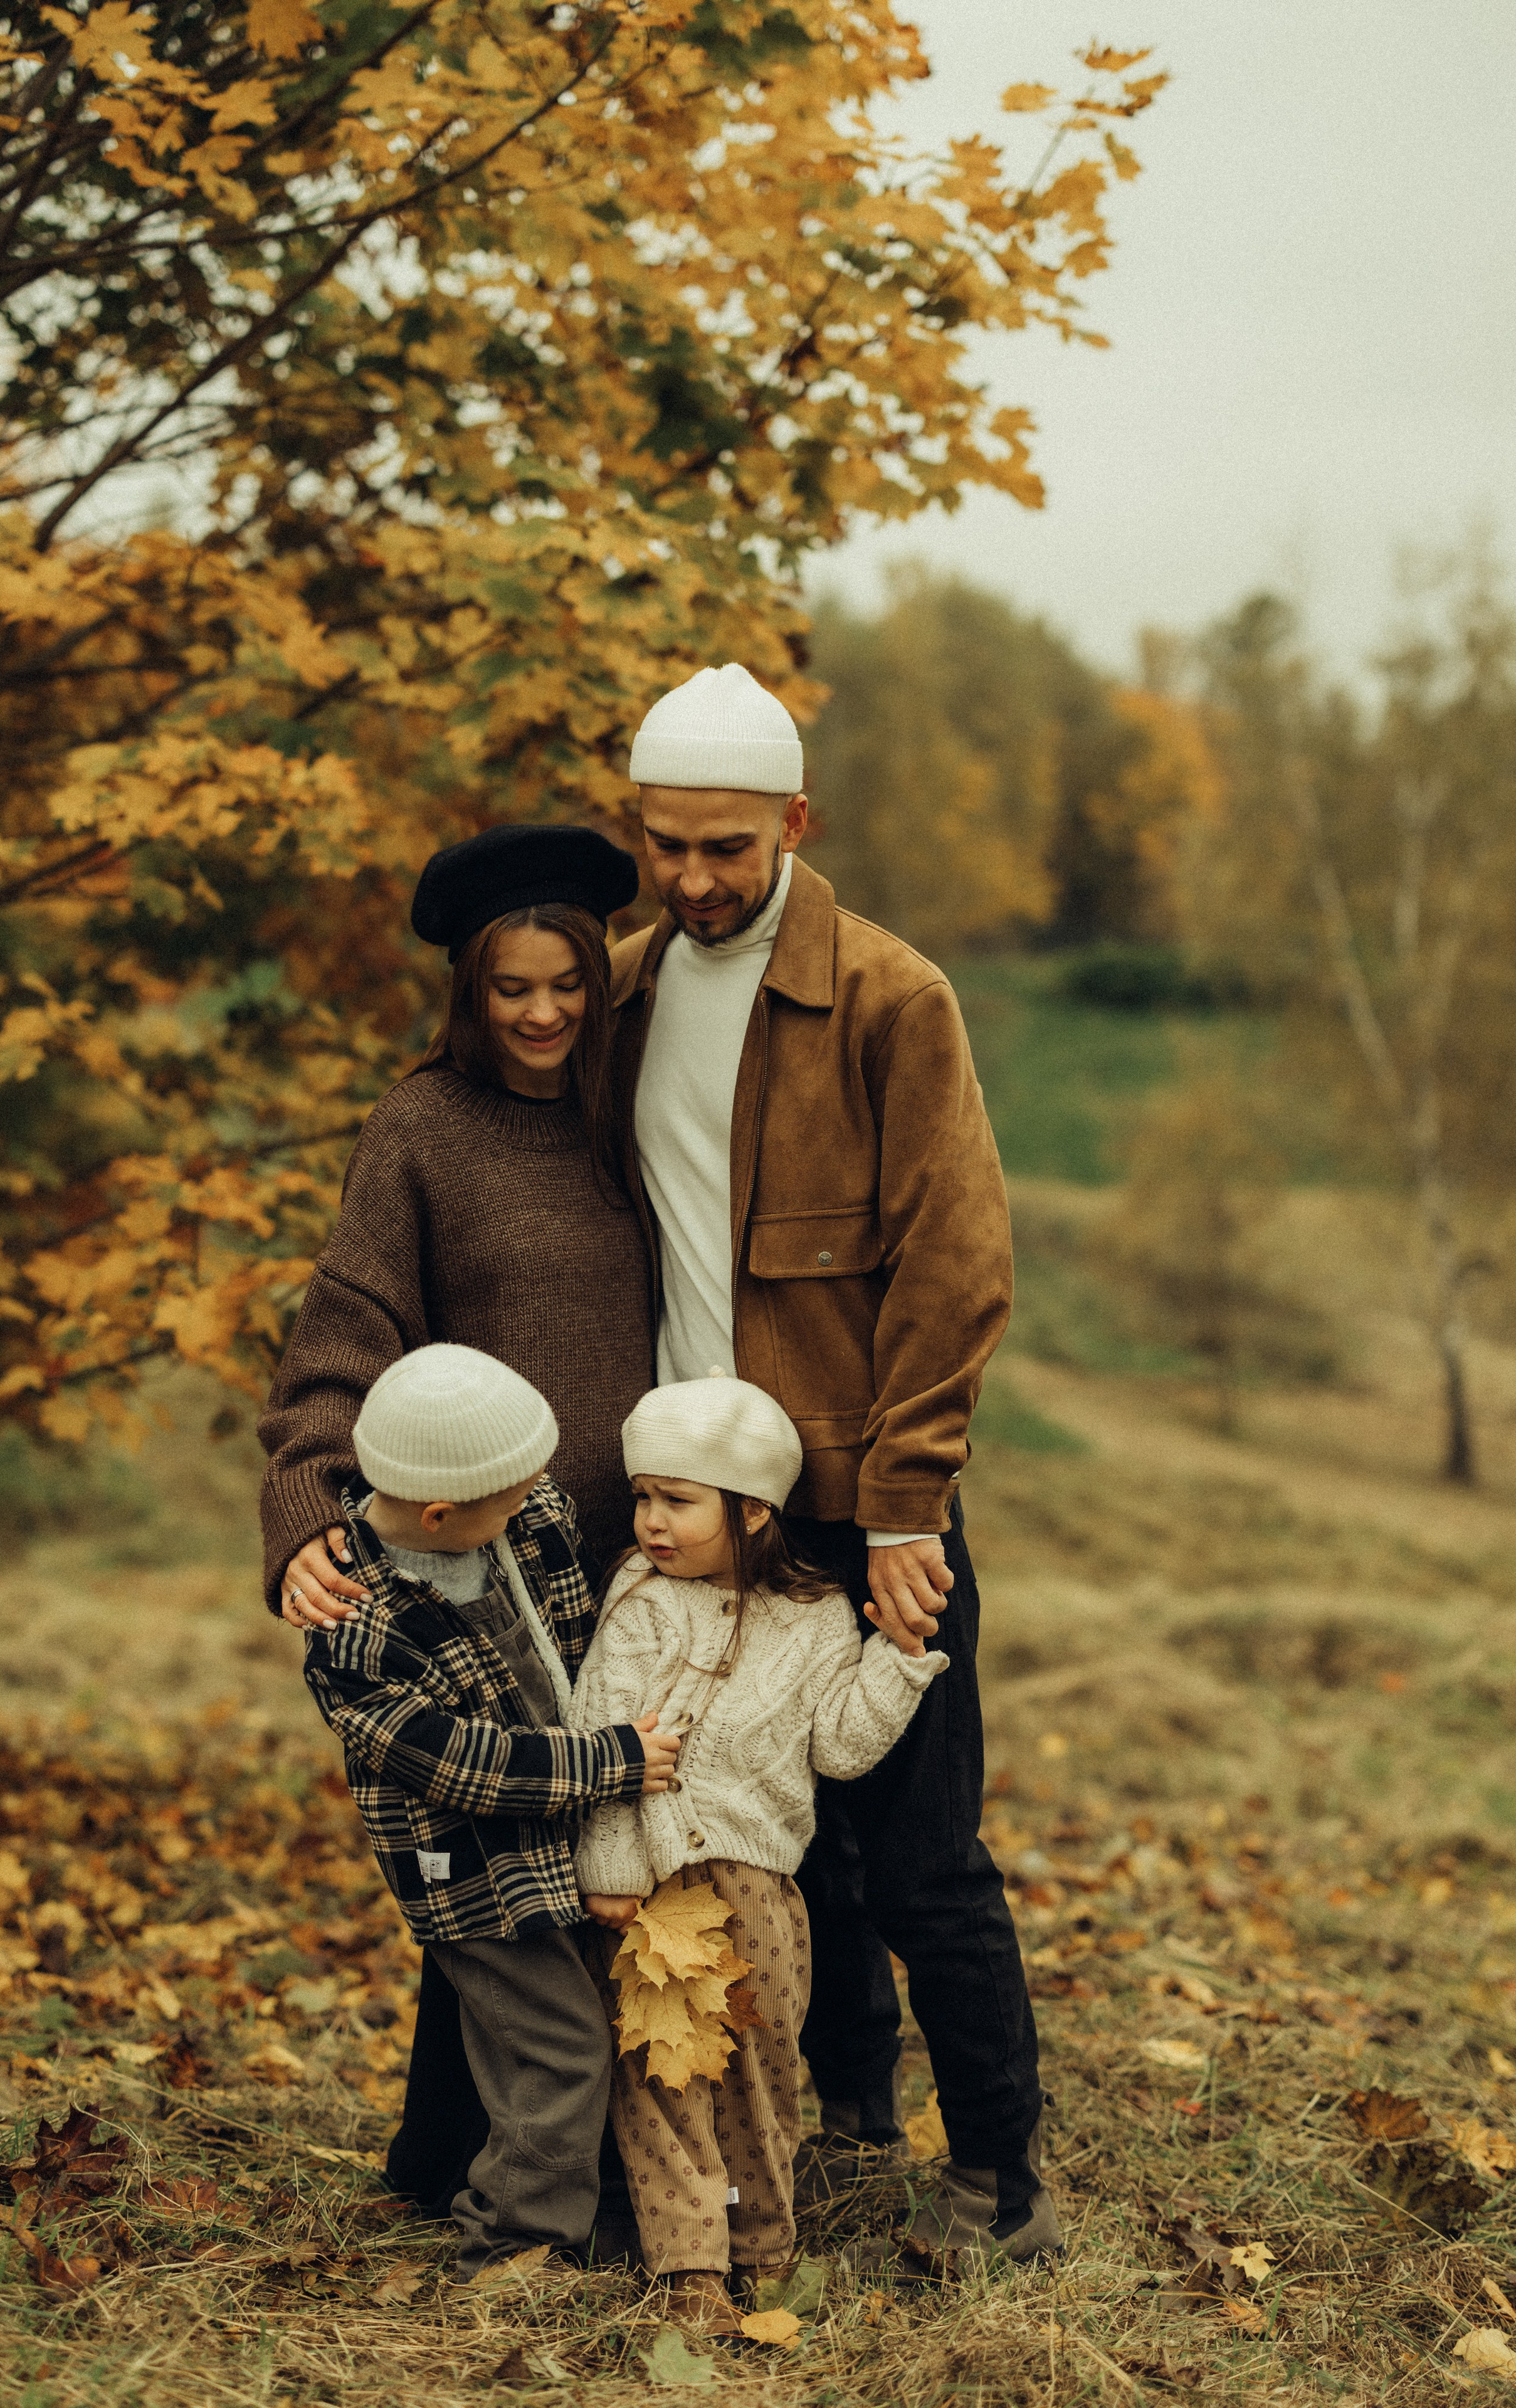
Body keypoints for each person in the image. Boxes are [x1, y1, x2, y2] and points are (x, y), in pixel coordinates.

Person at [609, 663, 1061, 2273]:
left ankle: (1000, 2181)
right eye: (665, 845)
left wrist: (900, 1509)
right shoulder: (621, 991)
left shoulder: (887, 997)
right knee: (762, 1845)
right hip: (688, 1521)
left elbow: (957, 1264)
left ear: (794, 826)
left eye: (727, 847)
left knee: (920, 1855)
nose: (694, 879)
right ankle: (848, 2126)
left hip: (857, 1513)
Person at [260, 821, 654, 2217]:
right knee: (493, 1870)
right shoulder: (421, 1128)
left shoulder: (637, 1110)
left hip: (646, 1554)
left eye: (567, 984)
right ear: (468, 993)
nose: (544, 1013)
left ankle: (632, 2167)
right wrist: (307, 1501)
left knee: (625, 1864)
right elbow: (342, 1331)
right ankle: (457, 2167)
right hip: (481, 1562)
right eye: (512, 988)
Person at [298, 1341, 683, 2277]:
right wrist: (613, 1761)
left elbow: (587, 1631)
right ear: (439, 1512)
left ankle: (608, 2214)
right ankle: (515, 2242)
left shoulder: (523, 1515)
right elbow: (467, 1768)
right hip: (472, 1871)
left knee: (591, 2025)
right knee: (556, 2048)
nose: (537, 1498)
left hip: (571, 1833)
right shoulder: (356, 1630)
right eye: (512, 1497)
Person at [572, 1375, 946, 2333]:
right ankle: (690, 2265)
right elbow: (600, 1729)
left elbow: (840, 1747)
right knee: (662, 2078)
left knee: (761, 2069)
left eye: (678, 1501)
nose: (651, 1522)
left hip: (763, 1892)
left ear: (752, 1509)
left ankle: (765, 2248)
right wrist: (612, 1869)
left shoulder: (815, 1618)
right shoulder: (639, 1601)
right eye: (643, 1497)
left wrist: (897, 1660)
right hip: (657, 1891)